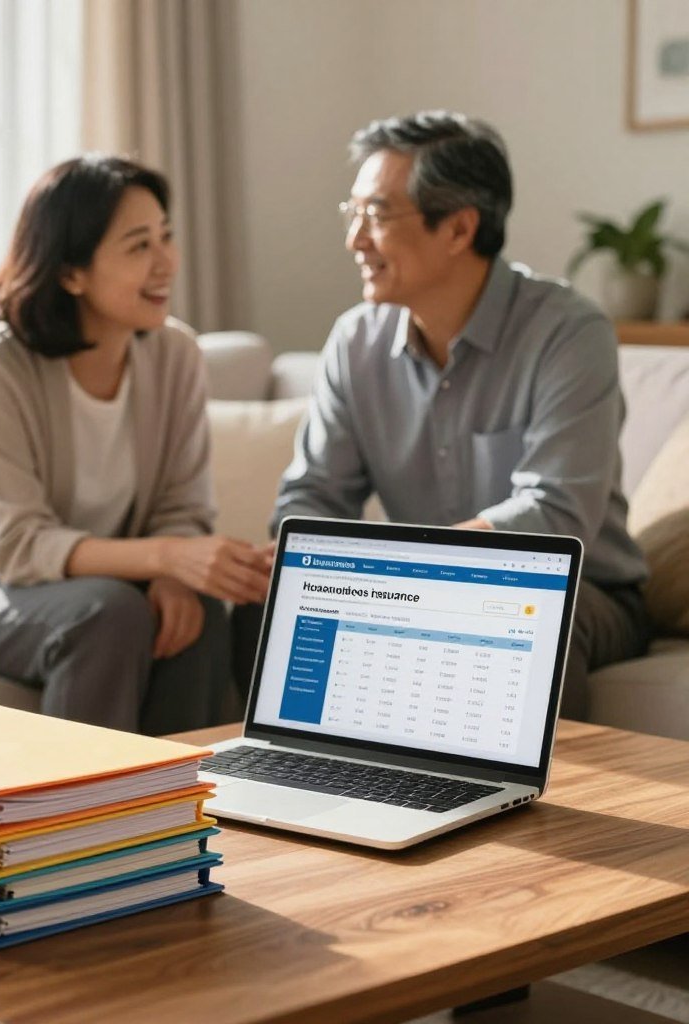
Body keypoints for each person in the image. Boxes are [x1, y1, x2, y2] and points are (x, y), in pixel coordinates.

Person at [243, 111, 650, 719]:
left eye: (377, 216)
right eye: (351, 213)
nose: (354, 239)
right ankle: (297, 783)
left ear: (459, 229)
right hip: (415, 589)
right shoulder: (355, 341)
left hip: (583, 590)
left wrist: (401, 571)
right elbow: (311, 498)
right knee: (261, 604)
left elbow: (555, 515)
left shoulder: (569, 333)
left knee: (531, 615)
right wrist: (326, 568)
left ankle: (533, 811)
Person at [0, 155, 271, 735]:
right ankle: (77, 821)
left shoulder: (175, 355)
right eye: (139, 246)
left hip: (102, 590)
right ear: (71, 273)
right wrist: (165, 558)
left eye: (166, 237)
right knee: (109, 613)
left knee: (199, 615)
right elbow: (17, 546)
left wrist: (173, 577)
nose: (167, 262)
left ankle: (177, 814)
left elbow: (182, 507)